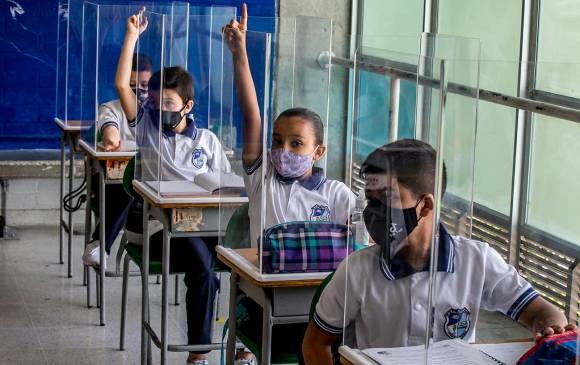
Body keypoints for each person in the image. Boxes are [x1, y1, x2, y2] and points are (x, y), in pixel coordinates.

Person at [302, 139, 577, 365]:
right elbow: (315, 344)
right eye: (372, 201)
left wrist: (551, 329)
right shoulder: (357, 269)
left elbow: (542, 311)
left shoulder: (477, 260)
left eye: (387, 199)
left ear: (425, 206)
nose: (374, 212)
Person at [224, 4, 356, 363]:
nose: (283, 150)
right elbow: (251, 114)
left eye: (297, 143)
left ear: (318, 151)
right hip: (265, 300)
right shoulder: (262, 177)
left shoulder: (337, 195)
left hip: (323, 307)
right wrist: (240, 53)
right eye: (278, 140)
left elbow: (361, 247)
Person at [114, 9, 232, 365]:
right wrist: (132, 36)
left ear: (188, 106)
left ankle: (239, 340)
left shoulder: (208, 141)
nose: (159, 109)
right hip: (160, 230)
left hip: (203, 226)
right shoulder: (147, 128)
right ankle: (198, 353)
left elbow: (226, 188)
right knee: (205, 269)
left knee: (233, 260)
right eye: (154, 102)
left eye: (168, 104)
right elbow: (122, 85)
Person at [81, 53, 152, 269]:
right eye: (132, 85)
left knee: (135, 183)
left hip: (148, 194)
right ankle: (101, 245)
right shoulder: (111, 108)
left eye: (145, 85)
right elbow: (109, 129)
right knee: (129, 182)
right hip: (110, 188)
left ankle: (98, 243)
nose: (139, 90)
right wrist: (111, 137)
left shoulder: (159, 110)